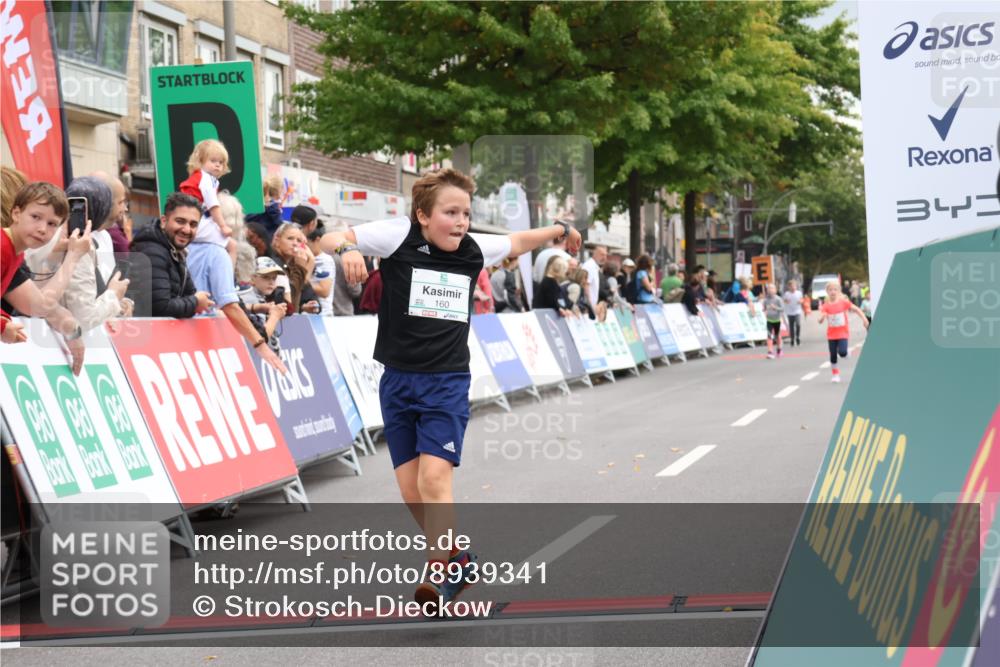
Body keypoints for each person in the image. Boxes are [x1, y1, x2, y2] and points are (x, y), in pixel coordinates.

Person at [319, 167, 582, 611]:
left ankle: (438, 573)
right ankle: (457, 557)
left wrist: (561, 228)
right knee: (409, 491)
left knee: (433, 479)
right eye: (451, 213)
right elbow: (328, 238)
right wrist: (347, 247)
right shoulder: (397, 235)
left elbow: (517, 242)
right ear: (423, 215)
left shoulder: (474, 248)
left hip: (446, 382)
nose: (461, 222)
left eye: (466, 213)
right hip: (398, 381)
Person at [25, 177, 132, 332]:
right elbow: (84, 317)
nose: (123, 209)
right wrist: (113, 295)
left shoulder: (59, 238)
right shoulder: (79, 248)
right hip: (53, 341)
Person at [2, 182, 88, 373]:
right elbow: (40, 306)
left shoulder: (15, 252)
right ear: (15, 213)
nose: (42, 229)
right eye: (35, 217)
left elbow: (39, 305)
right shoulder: (3, 248)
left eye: (52, 224)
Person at [128, 192, 215, 319]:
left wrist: (197, 301)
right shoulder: (152, 251)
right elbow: (161, 308)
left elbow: (189, 294)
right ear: (164, 221)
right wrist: (195, 302)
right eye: (180, 221)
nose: (186, 229)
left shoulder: (174, 251)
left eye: (193, 224)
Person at [178, 139, 237, 265]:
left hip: (190, 223)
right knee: (232, 246)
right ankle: (229, 280)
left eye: (221, 162)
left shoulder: (198, 177)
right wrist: (223, 226)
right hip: (198, 224)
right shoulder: (207, 180)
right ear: (200, 161)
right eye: (213, 161)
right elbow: (213, 206)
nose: (217, 165)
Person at [817, 280, 869, 383]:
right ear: (827, 292)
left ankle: (846, 353)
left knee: (842, 352)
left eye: (835, 289)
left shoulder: (843, 303)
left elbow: (857, 309)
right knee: (832, 355)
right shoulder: (826, 306)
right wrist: (822, 317)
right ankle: (835, 375)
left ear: (839, 291)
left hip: (842, 333)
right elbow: (819, 321)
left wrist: (864, 319)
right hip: (831, 334)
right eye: (830, 290)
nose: (833, 292)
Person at [269, 222, 320, 314]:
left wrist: (305, 306)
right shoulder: (271, 262)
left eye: (299, 241)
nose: (295, 244)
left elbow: (313, 301)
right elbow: (288, 300)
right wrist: (301, 268)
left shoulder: (293, 263)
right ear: (277, 240)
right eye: (290, 238)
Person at [240, 256, 289, 351]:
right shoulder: (249, 298)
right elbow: (259, 337)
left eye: (274, 278)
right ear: (252, 278)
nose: (271, 282)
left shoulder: (261, 298)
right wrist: (275, 316)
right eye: (266, 277)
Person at [244, 174, 284, 239]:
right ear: (278, 191)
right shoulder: (273, 207)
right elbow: (281, 226)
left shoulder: (256, 203)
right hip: (266, 241)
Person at [307, 226, 335, 315]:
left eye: (306, 242)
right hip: (308, 311)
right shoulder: (306, 257)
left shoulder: (324, 260)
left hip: (323, 314)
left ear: (317, 240)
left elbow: (324, 291)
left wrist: (302, 283)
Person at [762, 283, 784, 359]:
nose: (770, 290)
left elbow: (782, 309)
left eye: (772, 288)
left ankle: (779, 349)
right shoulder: (765, 300)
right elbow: (764, 308)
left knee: (777, 336)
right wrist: (764, 311)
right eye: (769, 289)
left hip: (777, 320)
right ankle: (770, 351)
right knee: (769, 336)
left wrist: (775, 308)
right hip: (769, 320)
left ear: (775, 290)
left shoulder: (778, 299)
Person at [580, 244, 607, 309]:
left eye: (606, 255)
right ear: (594, 254)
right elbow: (585, 285)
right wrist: (590, 306)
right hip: (589, 307)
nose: (604, 257)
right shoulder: (589, 266)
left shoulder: (594, 266)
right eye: (602, 254)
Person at [783, 279, 804, 346]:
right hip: (790, 312)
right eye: (791, 286)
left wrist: (800, 302)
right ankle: (792, 339)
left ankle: (797, 337)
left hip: (797, 311)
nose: (793, 287)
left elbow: (802, 300)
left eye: (794, 286)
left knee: (798, 324)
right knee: (791, 326)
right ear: (789, 287)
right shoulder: (787, 294)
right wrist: (787, 302)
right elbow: (784, 301)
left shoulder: (799, 293)